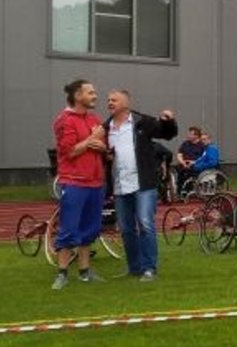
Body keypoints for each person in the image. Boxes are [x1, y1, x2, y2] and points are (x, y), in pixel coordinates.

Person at [104, 90, 177, 282]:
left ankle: (149, 268)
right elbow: (102, 153)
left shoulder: (143, 122)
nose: (109, 102)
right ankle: (134, 268)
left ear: (126, 103)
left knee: (145, 224)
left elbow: (167, 133)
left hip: (143, 184)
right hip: (120, 185)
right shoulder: (105, 127)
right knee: (126, 229)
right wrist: (106, 156)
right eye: (108, 100)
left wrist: (168, 121)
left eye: (114, 100)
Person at [51, 79, 108, 290]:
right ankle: (62, 273)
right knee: (68, 228)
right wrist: (91, 140)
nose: (95, 96)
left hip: (96, 182)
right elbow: (69, 152)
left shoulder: (94, 119)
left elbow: (103, 147)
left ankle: (85, 271)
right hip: (74, 182)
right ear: (77, 96)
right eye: (90, 92)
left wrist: (102, 147)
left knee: (90, 228)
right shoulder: (65, 120)